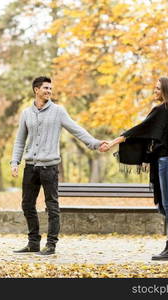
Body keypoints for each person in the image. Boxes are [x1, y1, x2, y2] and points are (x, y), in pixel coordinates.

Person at [99, 77, 168, 261]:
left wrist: (113, 142)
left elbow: (139, 130)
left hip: (165, 162)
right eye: (155, 87)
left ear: (166, 90)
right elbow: (153, 135)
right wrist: (148, 156)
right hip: (163, 161)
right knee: (163, 207)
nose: (155, 90)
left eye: (158, 88)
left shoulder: (162, 110)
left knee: (167, 205)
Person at [11, 76, 106, 256]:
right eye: (45, 88)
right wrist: (15, 162)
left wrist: (94, 143)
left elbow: (76, 129)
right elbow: (19, 141)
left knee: (52, 206)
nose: (49, 91)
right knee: (27, 205)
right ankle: (33, 242)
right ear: (36, 90)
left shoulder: (58, 111)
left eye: (50, 89)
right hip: (30, 166)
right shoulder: (26, 113)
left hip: (50, 167)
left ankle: (51, 244)